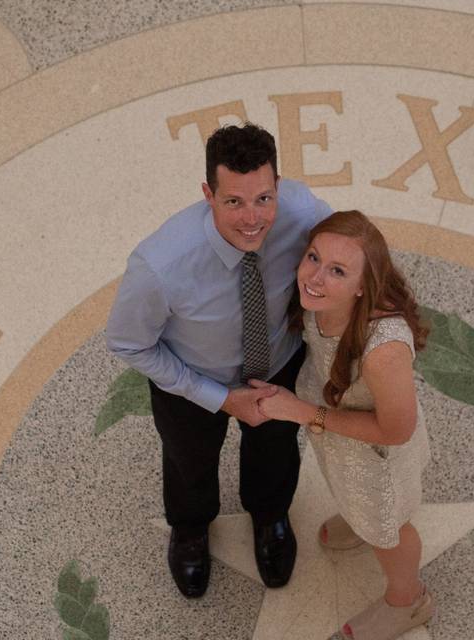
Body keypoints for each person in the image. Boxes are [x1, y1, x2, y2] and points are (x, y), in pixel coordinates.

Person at [105, 123, 331, 598]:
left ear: (279, 186)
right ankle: (189, 529)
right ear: (208, 193)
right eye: (234, 202)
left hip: (277, 366)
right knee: (190, 461)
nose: (253, 219)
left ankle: (270, 516)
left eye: (264, 199)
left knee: (275, 451)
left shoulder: (304, 212)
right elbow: (129, 343)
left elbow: (349, 256)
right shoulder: (159, 265)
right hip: (192, 380)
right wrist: (221, 398)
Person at [252, 210, 434, 640]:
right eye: (313, 258)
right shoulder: (319, 303)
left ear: (361, 288)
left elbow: (395, 431)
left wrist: (301, 412)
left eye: (337, 271)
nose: (314, 278)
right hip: (341, 442)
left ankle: (407, 602)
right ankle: (360, 518)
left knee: (389, 528)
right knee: (359, 505)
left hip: (376, 457)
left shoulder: (383, 348)